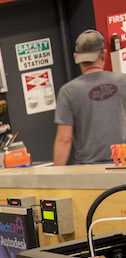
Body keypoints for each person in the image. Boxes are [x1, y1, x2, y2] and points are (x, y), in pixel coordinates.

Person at [53, 29, 126, 165]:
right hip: (122, 165)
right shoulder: (123, 81)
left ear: (76, 57)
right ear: (104, 54)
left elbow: (65, 139)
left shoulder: (68, 91)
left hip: (88, 171)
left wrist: (55, 179)